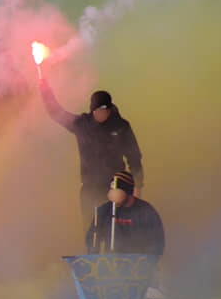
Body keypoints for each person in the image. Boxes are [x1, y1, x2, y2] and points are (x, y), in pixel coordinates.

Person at [39, 79, 144, 219]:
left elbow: (134, 157)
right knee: (90, 228)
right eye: (98, 110)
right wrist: (45, 90)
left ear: (109, 109)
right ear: (92, 110)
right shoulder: (82, 125)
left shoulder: (121, 127)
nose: (102, 113)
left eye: (105, 110)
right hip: (90, 187)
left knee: (114, 228)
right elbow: (56, 112)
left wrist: (138, 186)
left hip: (115, 188)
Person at [85, 170, 164, 255]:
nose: (112, 195)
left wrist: (145, 262)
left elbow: (157, 243)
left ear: (127, 192)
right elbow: (92, 238)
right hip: (111, 264)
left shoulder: (146, 211)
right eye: (111, 190)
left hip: (137, 264)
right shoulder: (104, 210)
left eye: (116, 191)